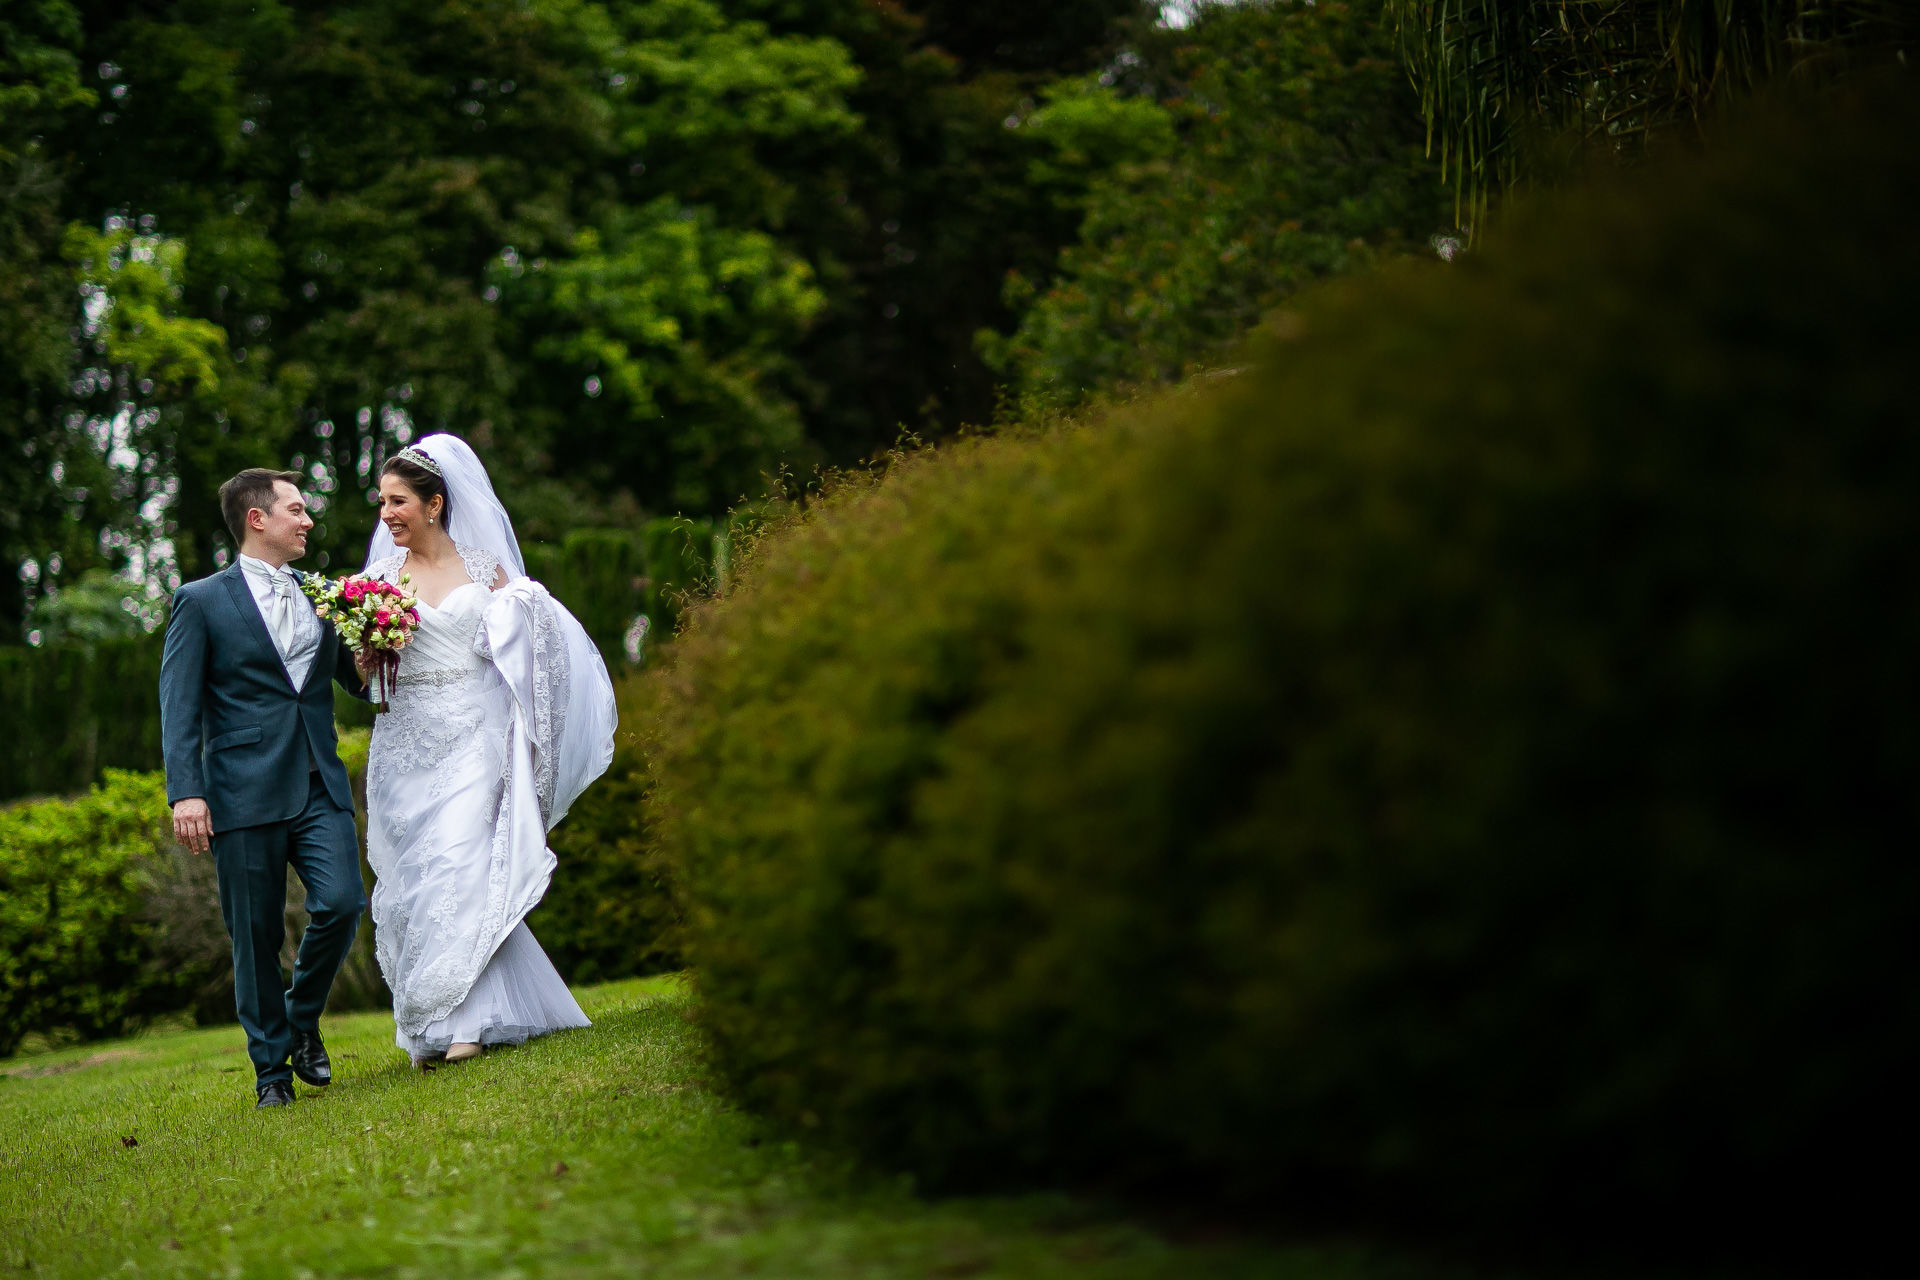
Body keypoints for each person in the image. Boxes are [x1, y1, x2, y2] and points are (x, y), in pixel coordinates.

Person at [360, 434, 616, 1068]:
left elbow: (531, 646)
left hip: (474, 734)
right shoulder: (377, 583)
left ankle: (467, 1026)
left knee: (462, 863)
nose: (387, 514)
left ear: (435, 504)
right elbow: (366, 676)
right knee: (419, 880)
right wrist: (369, 658)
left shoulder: (486, 569)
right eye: (382, 503)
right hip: (405, 742)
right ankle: (431, 1024)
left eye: (398, 501)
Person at [159, 469, 371, 1110]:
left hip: (317, 780)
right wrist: (186, 793)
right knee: (254, 937)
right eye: (296, 510)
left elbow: (353, 680)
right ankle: (271, 1075)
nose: (308, 520)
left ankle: (300, 1016)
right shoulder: (200, 601)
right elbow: (179, 706)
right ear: (258, 519)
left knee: (342, 903)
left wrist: (378, 650)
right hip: (240, 790)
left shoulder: (324, 594)